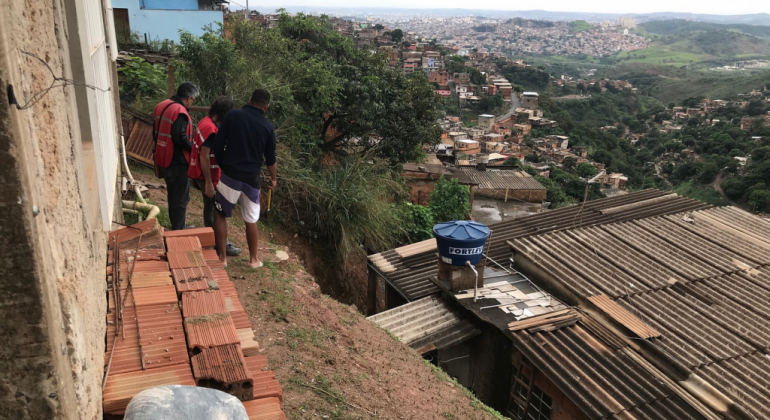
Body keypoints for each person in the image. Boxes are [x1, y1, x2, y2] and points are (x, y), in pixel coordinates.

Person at [202, 89, 277, 268]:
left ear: (249, 100)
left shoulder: (233, 116)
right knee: (251, 218)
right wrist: (273, 179)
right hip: (252, 178)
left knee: (220, 213)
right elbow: (271, 159)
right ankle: (253, 259)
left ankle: (222, 258)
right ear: (266, 107)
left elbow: (218, 143)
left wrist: (223, 164)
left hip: (231, 175)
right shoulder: (268, 127)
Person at [188, 96, 242, 256]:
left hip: (201, 173)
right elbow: (204, 156)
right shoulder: (211, 130)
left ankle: (211, 239)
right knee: (218, 210)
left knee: (210, 207)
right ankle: (221, 244)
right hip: (206, 175)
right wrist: (209, 183)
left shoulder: (205, 121)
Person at [153, 82, 199, 230]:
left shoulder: (162, 105)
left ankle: (176, 225)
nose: (192, 103)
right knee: (181, 197)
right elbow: (179, 137)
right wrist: (195, 148)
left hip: (163, 156)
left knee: (173, 193)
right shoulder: (180, 111)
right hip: (177, 160)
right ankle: (178, 230)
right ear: (188, 98)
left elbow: (155, 131)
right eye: (193, 100)